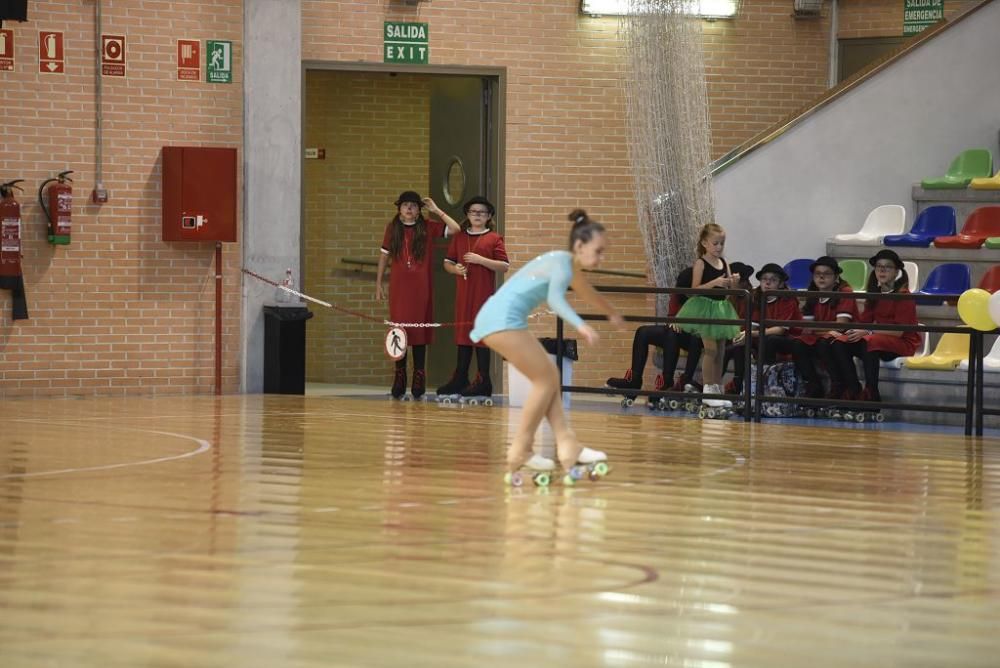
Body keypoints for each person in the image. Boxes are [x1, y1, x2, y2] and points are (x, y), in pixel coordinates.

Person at [471, 209, 624, 476]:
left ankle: (568, 446)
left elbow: (588, 293)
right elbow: (555, 300)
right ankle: (521, 449)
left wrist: (611, 312)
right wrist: (581, 325)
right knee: (546, 379)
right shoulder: (563, 265)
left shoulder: (566, 264)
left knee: (550, 377)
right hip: (502, 320)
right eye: (598, 251)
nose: (602, 257)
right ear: (579, 246)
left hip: (502, 320)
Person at [376, 191, 461, 399]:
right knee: (399, 329)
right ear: (399, 209)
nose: (409, 209)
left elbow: (456, 229)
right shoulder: (392, 228)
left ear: (418, 210)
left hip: (421, 287)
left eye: (413, 206)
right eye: (405, 205)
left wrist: (436, 210)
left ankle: (419, 375)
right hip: (399, 287)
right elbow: (384, 256)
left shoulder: (428, 227)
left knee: (420, 329)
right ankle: (400, 374)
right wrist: (379, 283)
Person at [435, 196, 510, 398]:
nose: (477, 215)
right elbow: (447, 263)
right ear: (467, 215)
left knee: (481, 336)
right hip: (464, 295)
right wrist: (456, 270)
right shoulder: (459, 237)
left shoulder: (494, 238)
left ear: (489, 217)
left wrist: (480, 260)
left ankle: (484, 380)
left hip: (483, 295)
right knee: (463, 335)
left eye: (482, 212)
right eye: (474, 212)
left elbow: (504, 266)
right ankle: (461, 378)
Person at [828, 249, 921, 405]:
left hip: (902, 342)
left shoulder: (904, 296)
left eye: (887, 267)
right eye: (878, 267)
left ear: (897, 271)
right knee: (839, 343)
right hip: (878, 339)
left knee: (869, 341)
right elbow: (865, 323)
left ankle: (872, 393)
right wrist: (850, 331)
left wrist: (868, 331)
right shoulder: (874, 293)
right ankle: (853, 388)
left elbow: (898, 332)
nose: (882, 270)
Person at [605, 265, 704, 399]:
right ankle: (634, 381)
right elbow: (672, 316)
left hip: (695, 336)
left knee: (675, 333)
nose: (685, 294)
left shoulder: (703, 296)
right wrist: (675, 321)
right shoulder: (678, 292)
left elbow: (702, 323)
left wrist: (682, 323)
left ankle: (670, 381)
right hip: (675, 332)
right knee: (643, 332)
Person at [674, 223, 742, 408]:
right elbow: (694, 290)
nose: (719, 247)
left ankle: (718, 388)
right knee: (710, 350)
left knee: (721, 351)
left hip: (721, 308)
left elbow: (731, 292)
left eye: (722, 243)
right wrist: (714, 282)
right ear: (704, 243)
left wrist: (733, 282)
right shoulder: (700, 263)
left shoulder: (725, 263)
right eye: (715, 243)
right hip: (703, 308)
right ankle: (707, 388)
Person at [725, 263, 803, 394]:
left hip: (790, 339)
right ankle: (736, 384)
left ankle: (765, 384)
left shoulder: (788, 299)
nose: (767, 282)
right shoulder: (758, 298)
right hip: (764, 337)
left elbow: (780, 330)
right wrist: (744, 335)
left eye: (773, 280)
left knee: (770, 340)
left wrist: (751, 334)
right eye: (764, 279)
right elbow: (753, 325)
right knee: (739, 343)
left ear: (781, 284)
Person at [790, 256, 860, 399]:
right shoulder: (813, 294)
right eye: (817, 274)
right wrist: (823, 330)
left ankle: (839, 384)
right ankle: (814, 385)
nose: (821, 277)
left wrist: (819, 330)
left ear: (836, 277)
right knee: (797, 344)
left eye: (826, 273)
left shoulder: (845, 292)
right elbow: (807, 328)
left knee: (824, 343)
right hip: (823, 335)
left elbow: (841, 326)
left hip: (845, 337)